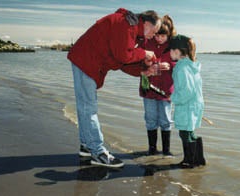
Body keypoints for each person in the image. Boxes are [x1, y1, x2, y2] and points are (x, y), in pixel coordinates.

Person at [67, 8, 161, 168]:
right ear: (146, 23)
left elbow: (122, 62)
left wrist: (144, 71)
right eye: (154, 31)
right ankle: (98, 152)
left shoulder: (131, 30)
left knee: (85, 107)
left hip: (87, 61)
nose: (154, 35)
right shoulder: (125, 24)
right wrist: (144, 53)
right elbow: (124, 55)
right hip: (85, 61)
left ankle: (86, 146)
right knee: (88, 108)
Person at [139, 15, 177, 157]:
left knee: (166, 120)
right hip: (148, 90)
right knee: (150, 119)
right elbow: (139, 63)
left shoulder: (173, 48)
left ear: (168, 35)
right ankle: (152, 149)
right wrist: (151, 67)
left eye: (163, 36)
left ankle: (166, 151)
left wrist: (171, 65)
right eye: (157, 35)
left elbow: (179, 64)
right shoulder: (147, 44)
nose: (159, 38)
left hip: (166, 91)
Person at [168, 34, 206, 168]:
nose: (169, 53)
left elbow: (187, 91)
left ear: (177, 51)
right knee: (190, 132)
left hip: (187, 106)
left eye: (170, 50)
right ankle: (198, 160)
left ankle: (189, 161)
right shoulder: (192, 65)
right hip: (195, 105)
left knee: (185, 133)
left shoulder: (181, 68)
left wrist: (173, 98)